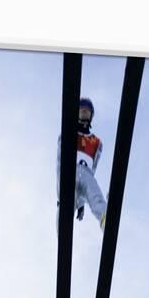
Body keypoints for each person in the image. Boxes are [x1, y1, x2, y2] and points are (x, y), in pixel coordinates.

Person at [56, 97, 107, 232]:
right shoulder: (68, 133)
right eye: (81, 109)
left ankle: (105, 217)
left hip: (87, 173)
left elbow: (93, 166)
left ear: (91, 115)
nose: (85, 111)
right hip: (69, 171)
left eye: (87, 110)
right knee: (67, 201)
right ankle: (62, 227)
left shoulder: (96, 142)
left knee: (95, 195)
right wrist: (60, 192)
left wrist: (82, 202)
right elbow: (59, 162)